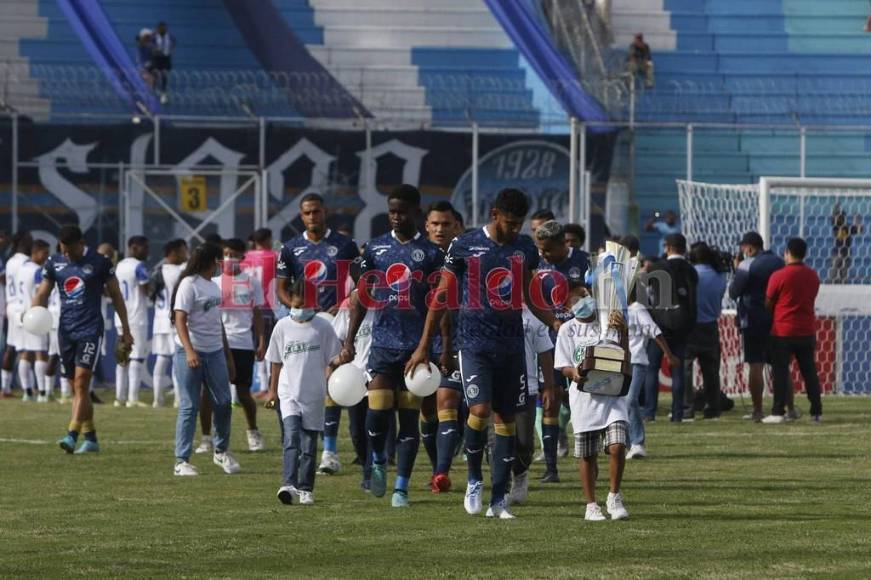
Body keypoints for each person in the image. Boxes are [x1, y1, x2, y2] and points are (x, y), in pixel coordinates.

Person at [406, 188, 558, 519]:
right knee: (480, 410)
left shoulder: (524, 249)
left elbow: (531, 294)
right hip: (473, 344)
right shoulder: (465, 245)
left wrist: (556, 323)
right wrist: (423, 346)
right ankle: (474, 478)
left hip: (512, 346)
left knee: (507, 422)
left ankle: (498, 500)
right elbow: (441, 296)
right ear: (494, 215)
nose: (514, 229)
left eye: (518, 224)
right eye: (509, 222)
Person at [338, 184, 444, 508]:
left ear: (416, 212)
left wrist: (436, 346)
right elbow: (360, 299)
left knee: (409, 419)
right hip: (383, 344)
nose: (396, 217)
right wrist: (350, 341)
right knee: (378, 413)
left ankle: (401, 488)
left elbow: (440, 305)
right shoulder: (375, 249)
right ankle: (380, 460)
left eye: (401, 211)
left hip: (417, 349)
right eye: (392, 211)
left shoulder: (431, 253)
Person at [276, 192, 358, 475]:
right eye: (307, 213)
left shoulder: (345, 245)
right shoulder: (290, 248)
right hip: (301, 326)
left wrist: (344, 303)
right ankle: (293, 443)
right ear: (301, 216)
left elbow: (360, 283)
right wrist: (298, 308)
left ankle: (330, 452)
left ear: (325, 212)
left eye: (317, 212)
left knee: (332, 384)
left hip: (334, 322)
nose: (313, 217)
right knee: (297, 386)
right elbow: (281, 289)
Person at [32, 226, 133, 454]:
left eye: (69, 250)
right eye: (63, 250)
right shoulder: (54, 262)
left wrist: (125, 329)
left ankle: (71, 434)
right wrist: (32, 312)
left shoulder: (100, 262)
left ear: (81, 243)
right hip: (65, 331)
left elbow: (116, 295)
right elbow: (42, 293)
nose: (66, 254)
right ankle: (92, 438)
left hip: (90, 329)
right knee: (77, 388)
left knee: (81, 383)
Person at [554, 284, 630, 521]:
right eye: (578, 299)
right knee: (588, 456)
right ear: (568, 306)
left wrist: (624, 331)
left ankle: (614, 496)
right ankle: (591, 505)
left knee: (617, 446)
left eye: (587, 297)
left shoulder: (608, 323)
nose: (585, 302)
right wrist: (573, 374)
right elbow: (563, 363)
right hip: (584, 398)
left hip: (612, 394)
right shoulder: (567, 330)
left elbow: (623, 355)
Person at [267, 278, 341, 506]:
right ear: (291, 300)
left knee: (308, 447)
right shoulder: (282, 326)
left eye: (304, 304)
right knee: (291, 439)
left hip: (314, 394)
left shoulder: (323, 327)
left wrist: (341, 362)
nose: (300, 309)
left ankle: (306, 488)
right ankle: (288, 484)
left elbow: (333, 358)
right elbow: (276, 362)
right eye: (297, 304)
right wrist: (272, 392)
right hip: (288, 393)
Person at [170, 243, 240, 476]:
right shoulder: (188, 285)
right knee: (190, 406)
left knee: (223, 402)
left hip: (215, 352)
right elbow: (180, 319)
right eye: (219, 260)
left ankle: (220, 452)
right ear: (211, 261)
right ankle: (181, 461)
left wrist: (228, 355)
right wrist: (189, 351)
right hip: (190, 353)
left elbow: (216, 322)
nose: (222, 265)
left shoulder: (213, 287)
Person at [533, 220, 590, 483]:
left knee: (589, 397)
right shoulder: (537, 264)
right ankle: (551, 467)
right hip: (549, 341)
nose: (543, 255)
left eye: (547, 250)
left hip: (582, 341)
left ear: (562, 244)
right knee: (549, 401)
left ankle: (589, 456)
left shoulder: (585, 261)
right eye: (540, 250)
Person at [421, 201, 464, 491]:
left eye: (446, 224)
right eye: (435, 224)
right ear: (426, 225)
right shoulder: (419, 258)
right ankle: (439, 464)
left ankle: (441, 472)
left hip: (462, 341)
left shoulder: (468, 255)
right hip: (423, 343)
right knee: (427, 409)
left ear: (457, 227)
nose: (440, 229)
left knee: (448, 402)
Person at [211, 238, 268, 451]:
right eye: (226, 254)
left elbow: (257, 314)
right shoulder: (214, 283)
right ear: (220, 258)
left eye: (234, 254)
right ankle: (215, 436)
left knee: (244, 393)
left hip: (243, 343)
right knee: (218, 395)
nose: (230, 258)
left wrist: (261, 340)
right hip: (218, 344)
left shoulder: (251, 281)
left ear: (243, 258)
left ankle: (253, 431)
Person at [764, 238, 822, 424]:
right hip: (806, 330)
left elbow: (768, 302)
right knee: (809, 372)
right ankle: (816, 411)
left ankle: (778, 411)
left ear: (787, 252)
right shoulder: (813, 275)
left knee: (780, 372)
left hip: (783, 331)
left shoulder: (779, 276)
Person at [641, 233, 697, 423]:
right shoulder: (690, 270)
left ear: (667, 247)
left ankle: (650, 412)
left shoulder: (656, 267)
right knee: (678, 368)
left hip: (659, 323)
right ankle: (677, 413)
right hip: (682, 324)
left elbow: (642, 294)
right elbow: (692, 301)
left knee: (652, 368)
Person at [728, 232, 784, 422]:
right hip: (776, 319)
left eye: (743, 247)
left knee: (756, 365)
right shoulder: (778, 261)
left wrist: (736, 269)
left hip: (752, 319)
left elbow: (734, 292)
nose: (742, 251)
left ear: (750, 248)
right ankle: (787, 408)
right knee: (779, 365)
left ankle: (758, 410)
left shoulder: (746, 265)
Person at [508, 305, 554, 505]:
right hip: (497, 384)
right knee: (497, 442)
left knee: (524, 443)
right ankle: (500, 485)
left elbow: (544, 352)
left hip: (527, 385)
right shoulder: (490, 311)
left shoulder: (534, 316)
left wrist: (549, 387)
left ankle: (520, 474)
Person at [625, 286, 676, 459]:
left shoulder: (637, 309)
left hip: (636, 361)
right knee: (619, 403)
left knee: (630, 400)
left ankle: (637, 442)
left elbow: (655, 331)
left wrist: (669, 355)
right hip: (618, 362)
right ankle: (623, 442)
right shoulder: (615, 310)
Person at [684, 242, 727, 419]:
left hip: (691, 326)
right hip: (710, 325)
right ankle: (713, 407)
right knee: (711, 370)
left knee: (686, 368)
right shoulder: (720, 276)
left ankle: (687, 407)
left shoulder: (690, 274)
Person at [113, 236, 151, 408]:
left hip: (120, 316)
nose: (147, 251)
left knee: (122, 357)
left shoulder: (119, 265)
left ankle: (119, 398)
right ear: (134, 247)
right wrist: (153, 288)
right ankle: (133, 398)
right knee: (136, 357)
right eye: (145, 247)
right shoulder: (139, 266)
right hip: (136, 316)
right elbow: (146, 289)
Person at [151, 239, 188, 408]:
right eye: (183, 251)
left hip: (159, 321)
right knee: (176, 361)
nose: (186, 255)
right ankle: (178, 399)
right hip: (175, 322)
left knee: (161, 359)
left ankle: (157, 399)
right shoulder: (182, 270)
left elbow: (150, 295)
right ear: (173, 253)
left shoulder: (157, 271)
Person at [18, 240, 51, 402]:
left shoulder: (21, 268)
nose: (47, 256)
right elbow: (41, 293)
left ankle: (27, 391)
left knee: (25, 352)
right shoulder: (38, 271)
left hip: (21, 313)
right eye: (45, 253)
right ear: (36, 252)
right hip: (35, 314)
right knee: (40, 352)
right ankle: (43, 392)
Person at [3, 232, 33, 398]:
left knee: (11, 346)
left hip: (11, 305)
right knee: (26, 349)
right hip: (22, 307)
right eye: (30, 241)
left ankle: (6, 386)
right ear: (24, 243)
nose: (32, 244)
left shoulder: (10, 261)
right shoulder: (25, 263)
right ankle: (27, 389)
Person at [829, 202, 862, 284]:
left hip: (846, 254)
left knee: (844, 274)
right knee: (833, 273)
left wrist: (857, 220)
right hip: (836, 253)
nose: (839, 218)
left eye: (841, 216)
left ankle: (843, 287)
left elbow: (859, 230)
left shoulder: (848, 227)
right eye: (837, 216)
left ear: (844, 217)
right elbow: (833, 217)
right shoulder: (835, 226)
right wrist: (836, 206)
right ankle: (831, 286)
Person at [152, 21, 175, 104]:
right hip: (157, 57)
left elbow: (173, 44)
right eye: (161, 28)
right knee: (156, 74)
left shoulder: (169, 37)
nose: (163, 30)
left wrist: (170, 50)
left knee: (165, 74)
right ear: (158, 29)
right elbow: (151, 46)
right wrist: (155, 50)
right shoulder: (154, 37)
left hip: (166, 57)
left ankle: (163, 92)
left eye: (164, 28)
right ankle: (155, 90)